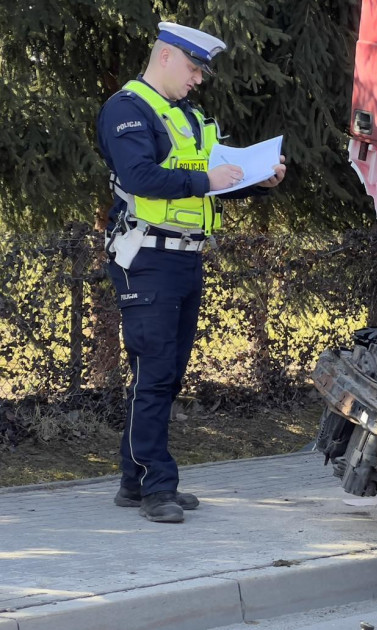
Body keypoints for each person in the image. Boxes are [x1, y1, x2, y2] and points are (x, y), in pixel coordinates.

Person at [96, 22, 286, 523]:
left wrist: (258, 182)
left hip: (184, 258)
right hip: (147, 260)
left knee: (163, 377)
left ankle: (133, 481)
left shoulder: (187, 117)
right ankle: (158, 487)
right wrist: (206, 179)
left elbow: (213, 185)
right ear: (164, 57)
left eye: (202, 70)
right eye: (193, 67)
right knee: (154, 375)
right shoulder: (128, 109)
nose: (199, 78)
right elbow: (141, 177)